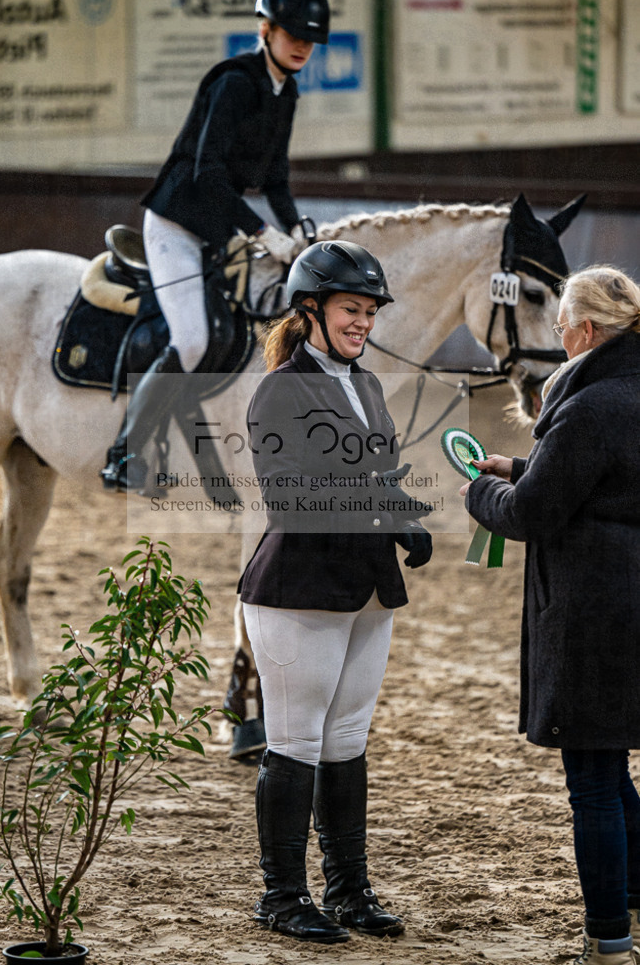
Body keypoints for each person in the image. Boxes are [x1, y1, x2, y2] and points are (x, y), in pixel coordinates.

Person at [237, 240, 433, 944]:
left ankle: (350, 890)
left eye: (370, 312)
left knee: (347, 741)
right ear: (310, 309)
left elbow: (372, 476)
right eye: (352, 309)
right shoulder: (281, 389)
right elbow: (289, 496)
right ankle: (282, 897)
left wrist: (402, 511)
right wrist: (383, 508)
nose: (363, 323)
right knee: (294, 742)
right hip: (296, 588)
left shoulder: (367, 385)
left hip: (364, 585)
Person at [460, 266, 640, 965]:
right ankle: (630, 900)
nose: (558, 336)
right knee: (615, 765)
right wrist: (522, 466)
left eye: (561, 325)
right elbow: (595, 477)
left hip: (593, 608)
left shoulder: (587, 405)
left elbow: (534, 513)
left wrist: (481, 492)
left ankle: (608, 940)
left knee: (591, 777)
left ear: (586, 332)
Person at [101, 0, 330, 491]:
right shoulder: (234, 82)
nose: (302, 46)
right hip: (175, 225)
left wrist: (296, 229)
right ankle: (124, 454)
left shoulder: (285, 91)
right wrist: (261, 232)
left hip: (216, 231)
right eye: (292, 34)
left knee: (240, 328)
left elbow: (275, 178)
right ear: (266, 29)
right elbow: (207, 173)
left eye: (309, 40)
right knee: (194, 338)